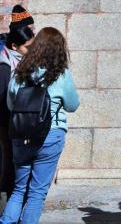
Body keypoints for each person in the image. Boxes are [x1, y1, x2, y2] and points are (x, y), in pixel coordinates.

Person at [0, 27, 79, 224]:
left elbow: (11, 104)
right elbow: (72, 105)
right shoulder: (61, 74)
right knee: (37, 192)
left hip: (21, 135)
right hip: (50, 135)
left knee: (19, 189)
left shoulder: (20, 71)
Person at [0, 27, 35, 202]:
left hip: (15, 124)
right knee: (7, 165)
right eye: (28, 47)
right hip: (5, 125)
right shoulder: (4, 67)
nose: (32, 51)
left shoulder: (20, 63)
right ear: (14, 46)